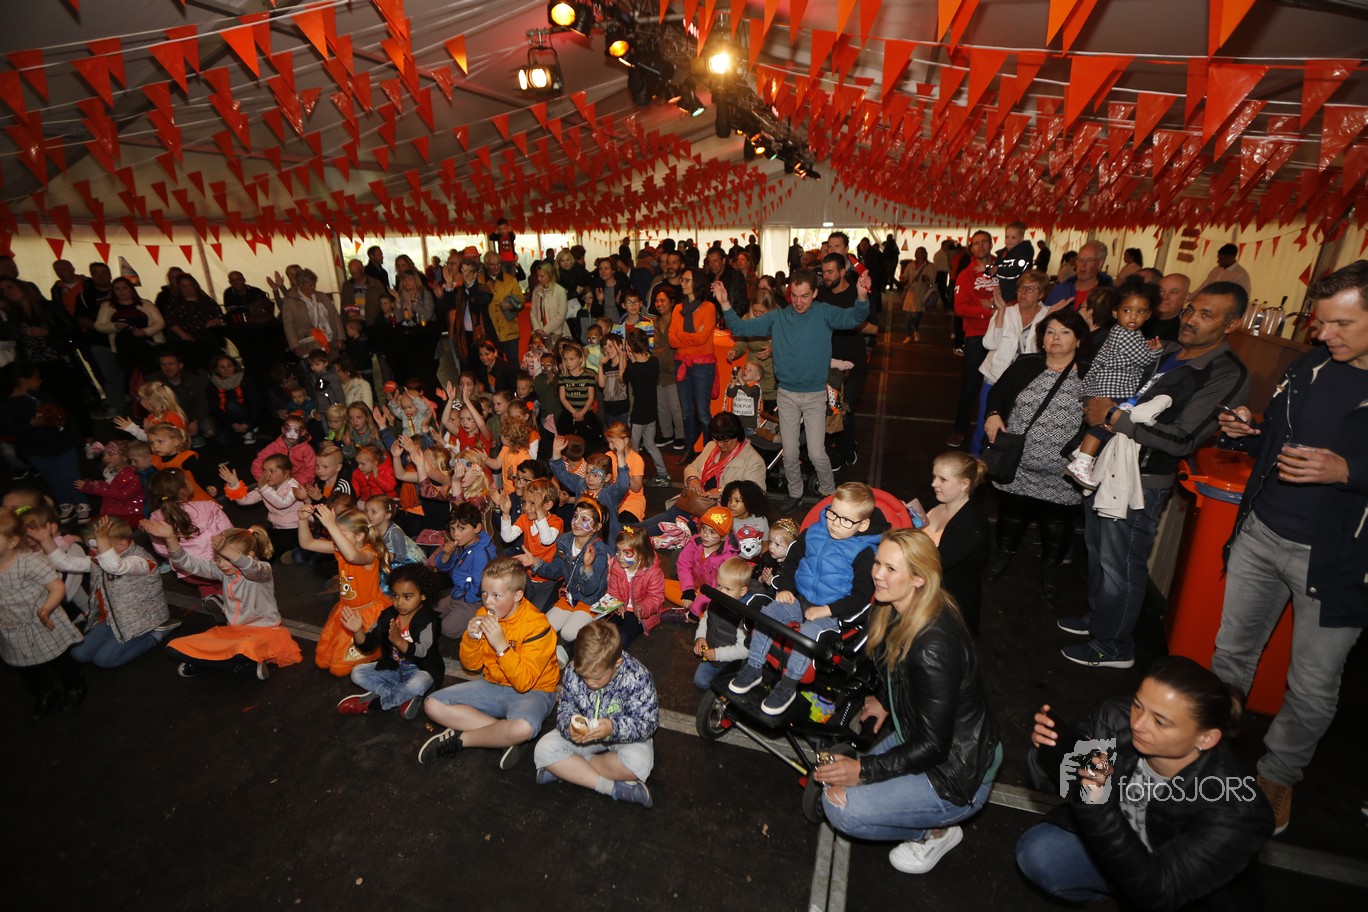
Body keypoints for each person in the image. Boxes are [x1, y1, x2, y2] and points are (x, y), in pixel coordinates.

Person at [1209, 261, 1368, 835]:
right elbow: (1283, 436)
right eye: (1321, 323)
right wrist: (1253, 431)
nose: (1325, 335)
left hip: (1338, 561)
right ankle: (1207, 752)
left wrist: (1350, 471)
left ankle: (1278, 775)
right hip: (1261, 532)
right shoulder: (1310, 365)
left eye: (1341, 323)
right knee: (1230, 655)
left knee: (1312, 684)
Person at [1065, 283, 1250, 668]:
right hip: (1107, 465)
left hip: (1141, 482)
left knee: (1120, 565)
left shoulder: (1224, 371)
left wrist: (1111, 415)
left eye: (1206, 315)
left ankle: (1113, 646)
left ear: (1232, 324)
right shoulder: (1163, 350)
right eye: (1191, 310)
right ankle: (1100, 621)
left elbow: (1182, 439)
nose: (1191, 320)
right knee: (1098, 552)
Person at [814, 529, 1000, 874]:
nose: (877, 574)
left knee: (840, 808)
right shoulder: (898, 608)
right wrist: (885, 701)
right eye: (878, 563)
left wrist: (864, 770)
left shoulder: (933, 646)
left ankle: (935, 833)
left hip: (956, 772)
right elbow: (901, 676)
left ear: (918, 578)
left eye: (891, 569)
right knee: (838, 781)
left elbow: (934, 746)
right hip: (922, 737)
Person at [1017, 656, 1272, 908]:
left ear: (1206, 739)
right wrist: (1052, 754)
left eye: (1160, 722)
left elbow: (1161, 892)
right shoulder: (1116, 718)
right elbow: (1054, 784)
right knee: (1039, 854)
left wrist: (1098, 805)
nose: (1138, 724)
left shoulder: (1238, 810)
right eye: (1138, 705)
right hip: (1118, 844)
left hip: (1182, 897)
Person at [718, 268, 871, 514]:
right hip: (787, 394)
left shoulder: (824, 313)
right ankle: (795, 493)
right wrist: (725, 302)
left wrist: (862, 296)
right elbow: (740, 327)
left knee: (816, 453)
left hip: (814, 396)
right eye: (795, 296)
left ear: (815, 293)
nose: (799, 302)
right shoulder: (778, 317)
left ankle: (829, 494)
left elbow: (854, 318)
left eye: (805, 296)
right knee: (789, 454)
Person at [729, 482, 890, 714]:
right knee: (768, 614)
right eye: (833, 514)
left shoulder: (865, 554)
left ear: (863, 524)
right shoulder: (814, 532)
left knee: (807, 635)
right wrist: (785, 587)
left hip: (831, 613)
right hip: (799, 599)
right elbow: (792, 561)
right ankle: (754, 667)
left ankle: (788, 685)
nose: (835, 523)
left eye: (846, 520)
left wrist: (827, 610)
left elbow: (861, 597)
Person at [983, 310, 1090, 602]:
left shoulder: (1089, 374)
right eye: (1050, 332)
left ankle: (1050, 571)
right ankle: (1002, 557)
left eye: (1065, 332)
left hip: (1063, 471)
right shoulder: (1026, 365)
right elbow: (997, 394)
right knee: (1011, 515)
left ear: (1078, 340)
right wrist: (993, 414)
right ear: (1041, 338)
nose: (1056, 338)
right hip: (1018, 464)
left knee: (1057, 525)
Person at [418, 557, 560, 771]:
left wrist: (502, 647)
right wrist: (471, 639)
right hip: (492, 684)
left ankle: (462, 740)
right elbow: (471, 666)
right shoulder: (483, 615)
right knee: (432, 705)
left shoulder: (538, 626)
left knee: (522, 728)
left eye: (496, 595)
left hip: (534, 691)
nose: (487, 602)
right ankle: (501, 735)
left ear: (517, 595)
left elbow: (524, 683)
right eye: (484, 593)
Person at [152, 522, 302, 679]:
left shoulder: (262, 571)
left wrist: (225, 550)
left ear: (250, 556)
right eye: (218, 558)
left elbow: (250, 568)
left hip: (264, 634)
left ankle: (207, 662)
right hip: (233, 634)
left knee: (244, 649)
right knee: (174, 648)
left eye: (228, 558)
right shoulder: (222, 571)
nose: (222, 564)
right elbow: (187, 563)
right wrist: (170, 538)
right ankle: (239, 667)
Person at [533, 620, 658, 807]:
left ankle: (569, 768)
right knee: (543, 749)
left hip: (620, 737)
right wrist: (569, 727)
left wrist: (613, 728)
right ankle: (610, 787)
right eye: (584, 676)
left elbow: (648, 723)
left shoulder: (638, 676)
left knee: (639, 763)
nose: (590, 682)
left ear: (617, 663)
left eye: (598, 677)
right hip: (585, 737)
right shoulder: (573, 670)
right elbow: (565, 708)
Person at [1064, 284, 1164, 489]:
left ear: (1148, 315)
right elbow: (1143, 359)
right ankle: (1082, 461)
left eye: (1140, 311)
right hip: (1111, 388)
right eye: (1127, 310)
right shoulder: (1125, 334)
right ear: (1115, 312)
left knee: (1105, 426)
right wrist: (1155, 351)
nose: (1133, 316)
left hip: (1106, 386)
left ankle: (1082, 451)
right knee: (1104, 426)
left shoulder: (1125, 332)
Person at [0, 507, 86, 718]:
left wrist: (47, 608)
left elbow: (57, 587)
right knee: (26, 667)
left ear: (12, 542)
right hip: (11, 627)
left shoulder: (29, 562)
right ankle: (45, 694)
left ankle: (74, 685)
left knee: (58, 659)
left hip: (42, 620)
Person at [337, 562, 446, 720]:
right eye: (395, 596)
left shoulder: (428, 619)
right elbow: (368, 645)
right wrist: (358, 630)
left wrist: (398, 640)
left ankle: (372, 704)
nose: (399, 602)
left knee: (417, 684)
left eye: (407, 597)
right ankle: (403, 697)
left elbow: (422, 652)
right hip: (394, 668)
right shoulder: (388, 615)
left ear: (423, 595)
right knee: (357, 672)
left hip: (421, 670)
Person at [301, 504, 392, 677]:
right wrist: (302, 520)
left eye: (340, 533)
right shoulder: (340, 549)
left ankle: (375, 652)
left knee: (338, 669)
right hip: (347, 610)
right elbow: (307, 543)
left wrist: (332, 525)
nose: (334, 537)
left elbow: (352, 556)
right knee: (322, 660)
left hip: (366, 615)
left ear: (359, 536)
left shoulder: (368, 554)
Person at [971, 268, 1049, 455]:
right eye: (1021, 287)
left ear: (1041, 294)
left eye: (1030, 289)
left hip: (1026, 384)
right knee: (984, 425)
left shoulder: (1048, 316)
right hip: (994, 379)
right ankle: (974, 464)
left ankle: (1003, 465)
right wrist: (1000, 312)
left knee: (1015, 428)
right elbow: (989, 343)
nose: (1023, 292)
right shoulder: (1007, 311)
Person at [922, 453, 990, 637]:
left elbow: (935, 563)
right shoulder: (934, 502)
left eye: (942, 479)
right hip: (923, 590)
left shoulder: (972, 524)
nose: (934, 484)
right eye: (934, 477)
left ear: (964, 484)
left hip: (946, 604)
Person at [949, 230, 997, 449]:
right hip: (977, 336)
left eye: (984, 242)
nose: (981, 246)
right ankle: (960, 429)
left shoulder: (1003, 269)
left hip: (1003, 335)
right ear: (971, 248)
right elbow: (960, 308)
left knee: (1000, 386)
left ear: (991, 244)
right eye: (976, 243)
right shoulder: (966, 275)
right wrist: (987, 311)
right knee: (970, 386)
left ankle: (995, 430)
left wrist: (995, 307)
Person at [668, 268, 719, 455]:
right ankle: (689, 449)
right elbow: (672, 340)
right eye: (682, 280)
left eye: (687, 280)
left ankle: (708, 452)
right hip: (682, 363)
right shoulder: (678, 308)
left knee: (703, 412)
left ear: (697, 283)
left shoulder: (709, 307)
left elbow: (702, 338)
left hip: (702, 365)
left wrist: (682, 336)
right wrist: (690, 336)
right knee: (686, 411)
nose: (682, 283)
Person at [1046, 240, 1112, 311]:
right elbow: (1044, 315)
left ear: (1100, 264)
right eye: (1080, 259)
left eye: (1089, 260)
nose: (1083, 265)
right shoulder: (1060, 290)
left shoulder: (1109, 296)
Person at [900, 247, 934, 344]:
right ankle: (909, 335)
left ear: (924, 254)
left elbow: (932, 280)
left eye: (919, 253)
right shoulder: (911, 265)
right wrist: (902, 278)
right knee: (908, 317)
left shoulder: (928, 266)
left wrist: (927, 278)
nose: (917, 254)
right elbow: (905, 276)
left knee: (915, 316)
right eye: (916, 252)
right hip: (911, 292)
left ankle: (916, 330)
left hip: (921, 293)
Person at [1145, 273, 1191, 343]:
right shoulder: (1140, 316)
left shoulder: (1187, 329)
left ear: (1186, 298)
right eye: (1161, 291)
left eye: (1173, 292)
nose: (1164, 297)